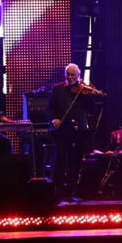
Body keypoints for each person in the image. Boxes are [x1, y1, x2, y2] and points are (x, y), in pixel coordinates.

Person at [47, 63, 101, 199]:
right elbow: (50, 108)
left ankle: (73, 190)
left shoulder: (83, 91)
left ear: (79, 76)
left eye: (73, 75)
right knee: (60, 159)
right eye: (68, 75)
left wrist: (91, 96)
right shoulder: (57, 89)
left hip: (78, 131)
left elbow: (91, 110)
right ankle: (57, 189)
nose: (70, 77)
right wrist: (54, 119)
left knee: (75, 160)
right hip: (61, 130)